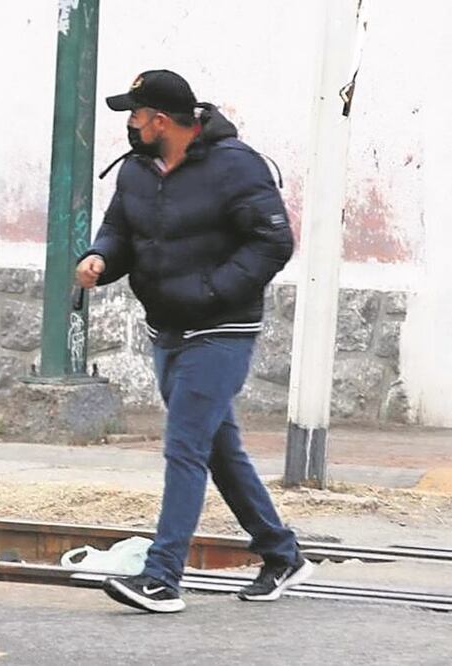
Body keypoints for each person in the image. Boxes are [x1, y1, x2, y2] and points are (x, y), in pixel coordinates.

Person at [76, 70, 312, 614]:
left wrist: (212, 291)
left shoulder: (236, 167)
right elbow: (120, 231)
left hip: (221, 329)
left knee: (185, 445)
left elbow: (273, 241)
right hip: (168, 326)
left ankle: (162, 577)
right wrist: (100, 258)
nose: (130, 125)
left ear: (160, 120)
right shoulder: (137, 171)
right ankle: (280, 552)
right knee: (217, 448)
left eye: (135, 115)